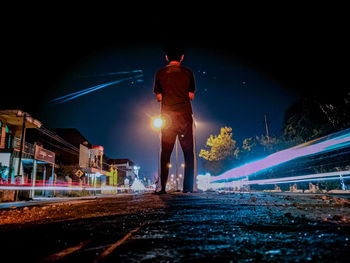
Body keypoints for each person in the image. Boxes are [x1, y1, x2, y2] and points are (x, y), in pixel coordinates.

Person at [153, 45, 196, 194]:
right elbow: (191, 96)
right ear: (182, 57)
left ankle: (163, 188)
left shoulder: (160, 73)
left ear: (166, 57)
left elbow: (159, 98)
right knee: (188, 152)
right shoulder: (188, 73)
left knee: (165, 152)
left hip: (167, 117)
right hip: (184, 115)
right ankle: (188, 188)